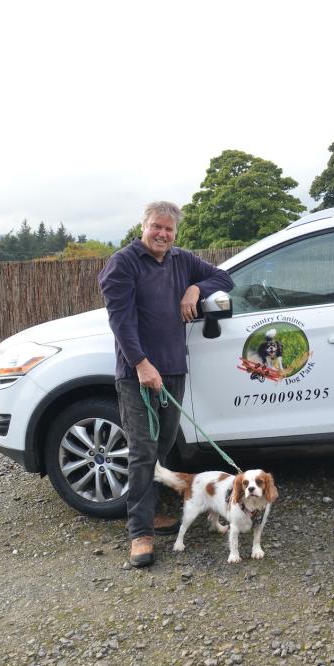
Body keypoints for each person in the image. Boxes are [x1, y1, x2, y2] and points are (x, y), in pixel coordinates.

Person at [98, 201, 234, 567]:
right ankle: (140, 533)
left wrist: (194, 289)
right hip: (138, 375)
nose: (162, 234)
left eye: (169, 230)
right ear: (143, 226)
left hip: (174, 368)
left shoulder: (181, 260)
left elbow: (225, 279)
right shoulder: (123, 264)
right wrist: (141, 364)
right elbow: (121, 322)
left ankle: (154, 512)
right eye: (156, 227)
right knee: (143, 450)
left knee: (163, 444)